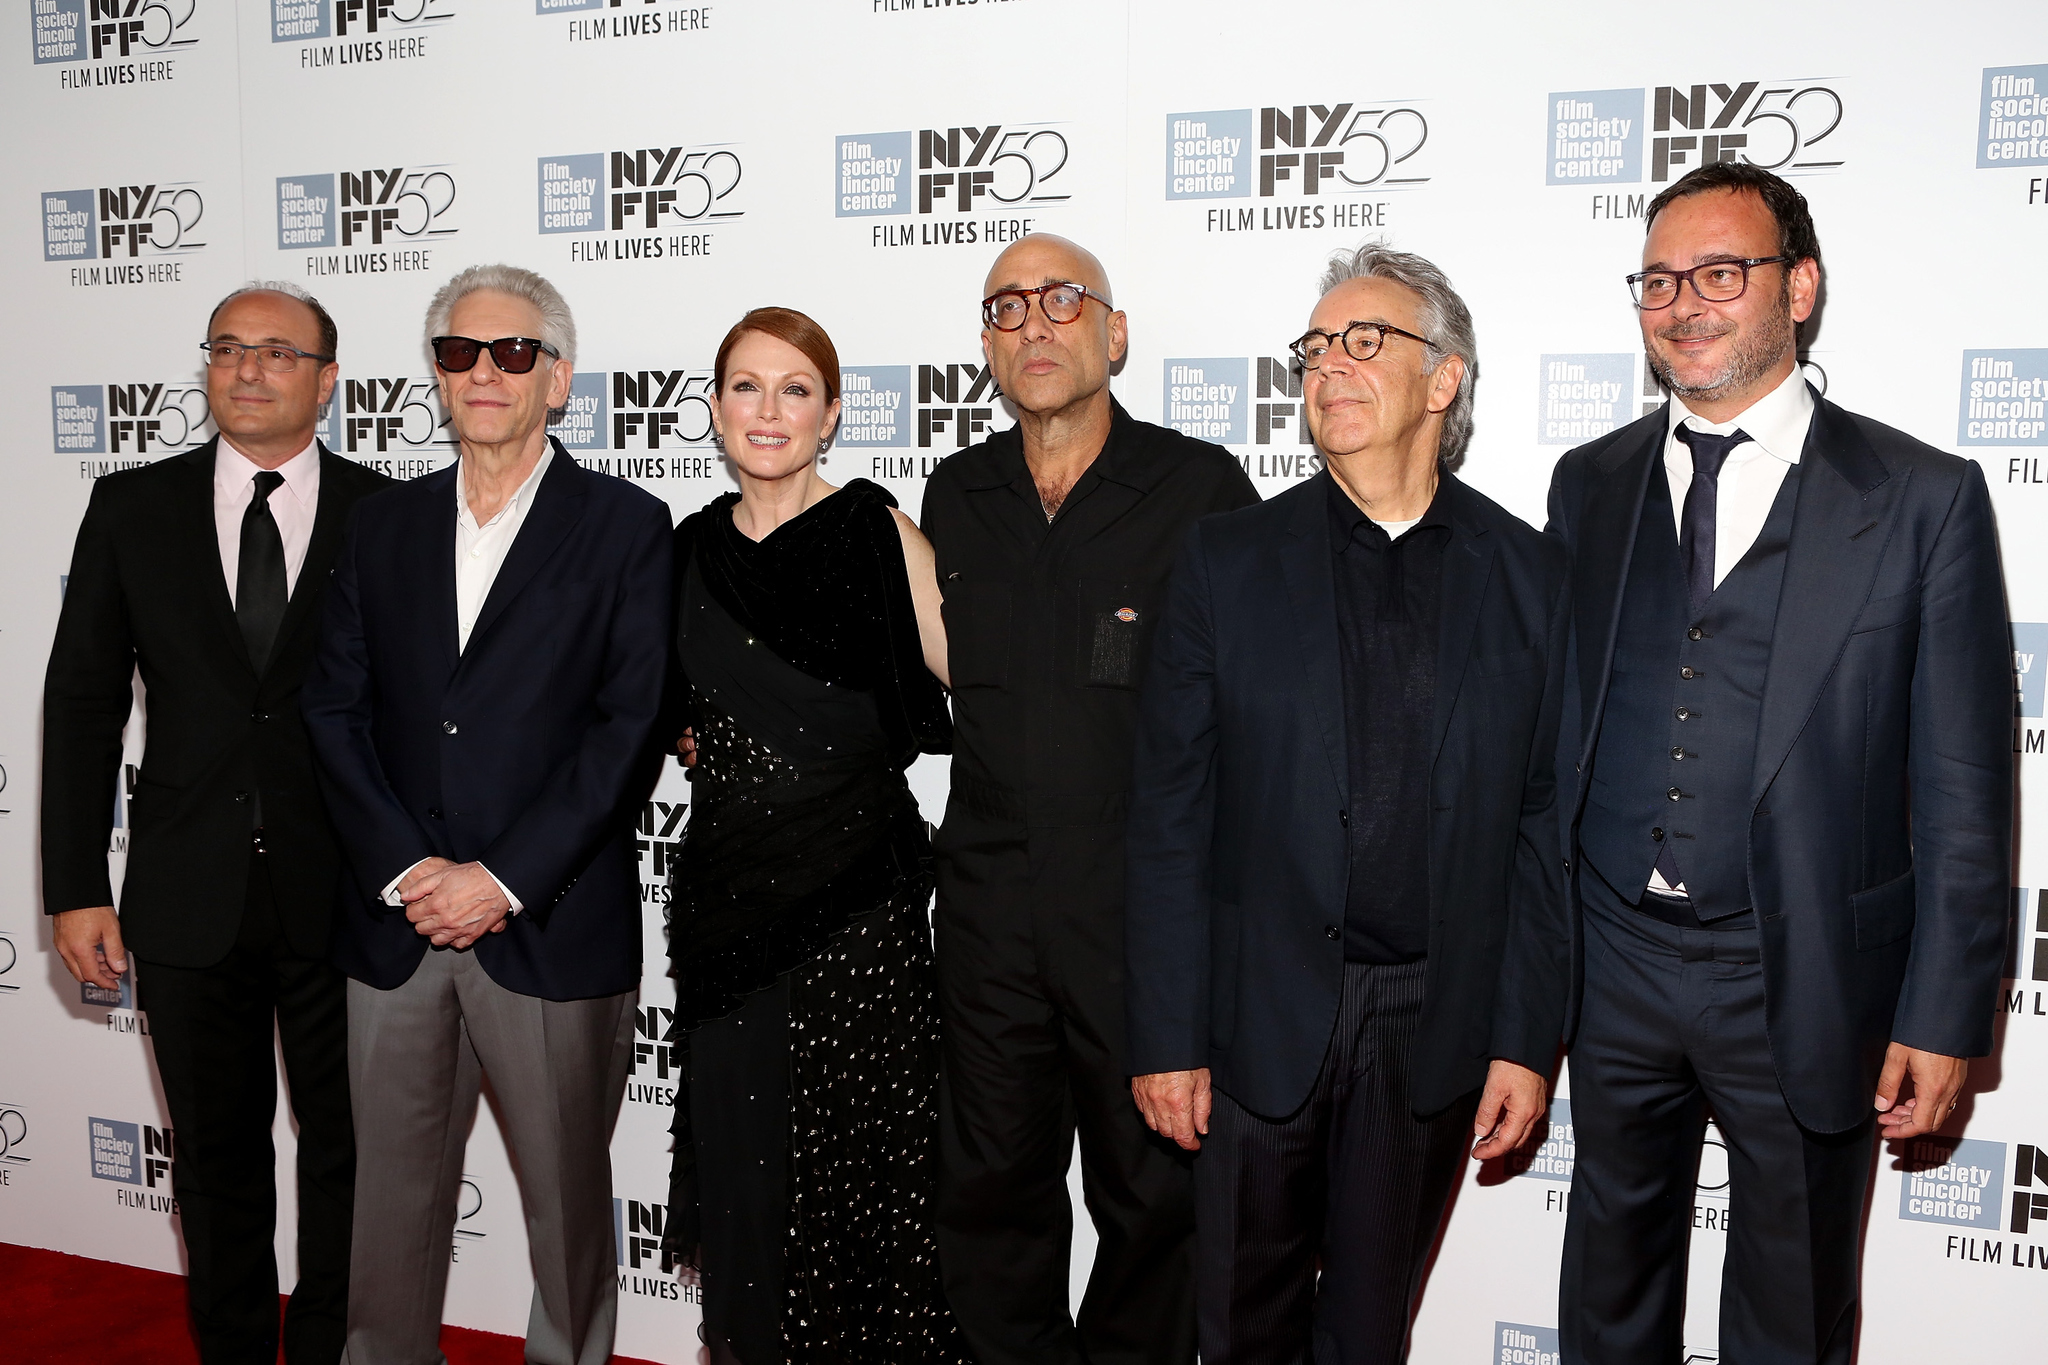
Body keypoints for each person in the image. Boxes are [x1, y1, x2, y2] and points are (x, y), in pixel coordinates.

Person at [1549, 162, 2010, 1364]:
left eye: (1719, 273)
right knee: (1604, 1300)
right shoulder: (1585, 485)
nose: (1682, 304)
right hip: (1611, 963)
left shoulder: (1920, 499)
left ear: (1797, 288)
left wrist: (1944, 1012)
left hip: (1800, 966)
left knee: (1792, 1312)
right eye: (1656, 279)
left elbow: (1965, 786)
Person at [1124, 243, 1570, 1364]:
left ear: (1441, 378)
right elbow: (1168, 816)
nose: (1329, 364)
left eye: (1363, 341)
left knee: (1370, 1330)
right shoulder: (1223, 561)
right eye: (1315, 347)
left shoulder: (1529, 578)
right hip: (1254, 1010)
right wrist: (1168, 1032)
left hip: (1429, 1022)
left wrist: (1523, 1039)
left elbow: (1538, 830)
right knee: (1240, 1323)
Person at [301, 264, 672, 1365]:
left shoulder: (625, 524)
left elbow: (628, 725)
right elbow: (333, 709)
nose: (484, 372)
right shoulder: (379, 525)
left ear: (556, 379)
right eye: (459, 352)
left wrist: (499, 879)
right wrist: (411, 869)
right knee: (388, 1212)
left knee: (566, 1214)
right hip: (396, 923)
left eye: (512, 353)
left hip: (548, 924)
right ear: (435, 374)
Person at [919, 233, 1259, 1365]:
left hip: (1140, 921)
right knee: (986, 1195)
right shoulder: (955, 493)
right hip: (985, 918)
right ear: (984, 346)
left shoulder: (1200, 488)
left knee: (1152, 1205)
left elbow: (1261, 709)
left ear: (1113, 334)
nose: (1033, 324)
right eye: (1005, 307)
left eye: (1061, 300)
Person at [42, 281, 387, 1365]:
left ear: (327, 382)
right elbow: (85, 698)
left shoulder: (390, 515)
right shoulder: (130, 507)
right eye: (227, 348)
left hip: (347, 893)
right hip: (185, 893)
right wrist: (73, 884)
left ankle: (330, 1348)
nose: (246, 369)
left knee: (352, 1155)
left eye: (278, 353)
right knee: (214, 1157)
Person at [662, 306, 962, 1365]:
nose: (768, 410)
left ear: (831, 413)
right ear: (713, 409)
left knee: (861, 1180)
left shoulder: (878, 531)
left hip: (856, 917)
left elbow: (982, 680)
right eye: (746, 386)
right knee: (749, 1182)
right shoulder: (686, 554)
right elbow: (656, 711)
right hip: (731, 918)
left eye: (795, 389)